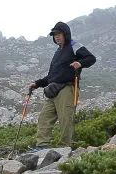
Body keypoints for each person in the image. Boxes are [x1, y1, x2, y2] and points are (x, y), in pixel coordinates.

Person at [28, 21, 96, 149]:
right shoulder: (58, 52)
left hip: (67, 88)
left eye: (59, 34)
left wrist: (80, 63)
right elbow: (51, 76)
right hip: (53, 90)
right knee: (44, 117)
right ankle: (42, 146)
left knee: (65, 118)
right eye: (54, 35)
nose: (56, 37)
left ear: (66, 34)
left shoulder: (74, 45)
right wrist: (36, 83)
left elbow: (91, 58)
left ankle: (64, 147)